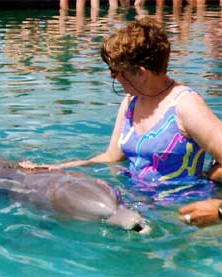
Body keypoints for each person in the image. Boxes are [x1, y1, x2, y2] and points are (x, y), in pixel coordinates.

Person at [20, 18, 222, 200]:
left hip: (178, 209)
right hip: (134, 200)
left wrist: (203, 181)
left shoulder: (185, 106)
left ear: (141, 73)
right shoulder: (131, 101)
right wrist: (56, 169)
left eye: (115, 71)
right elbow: (111, 157)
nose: (112, 78)